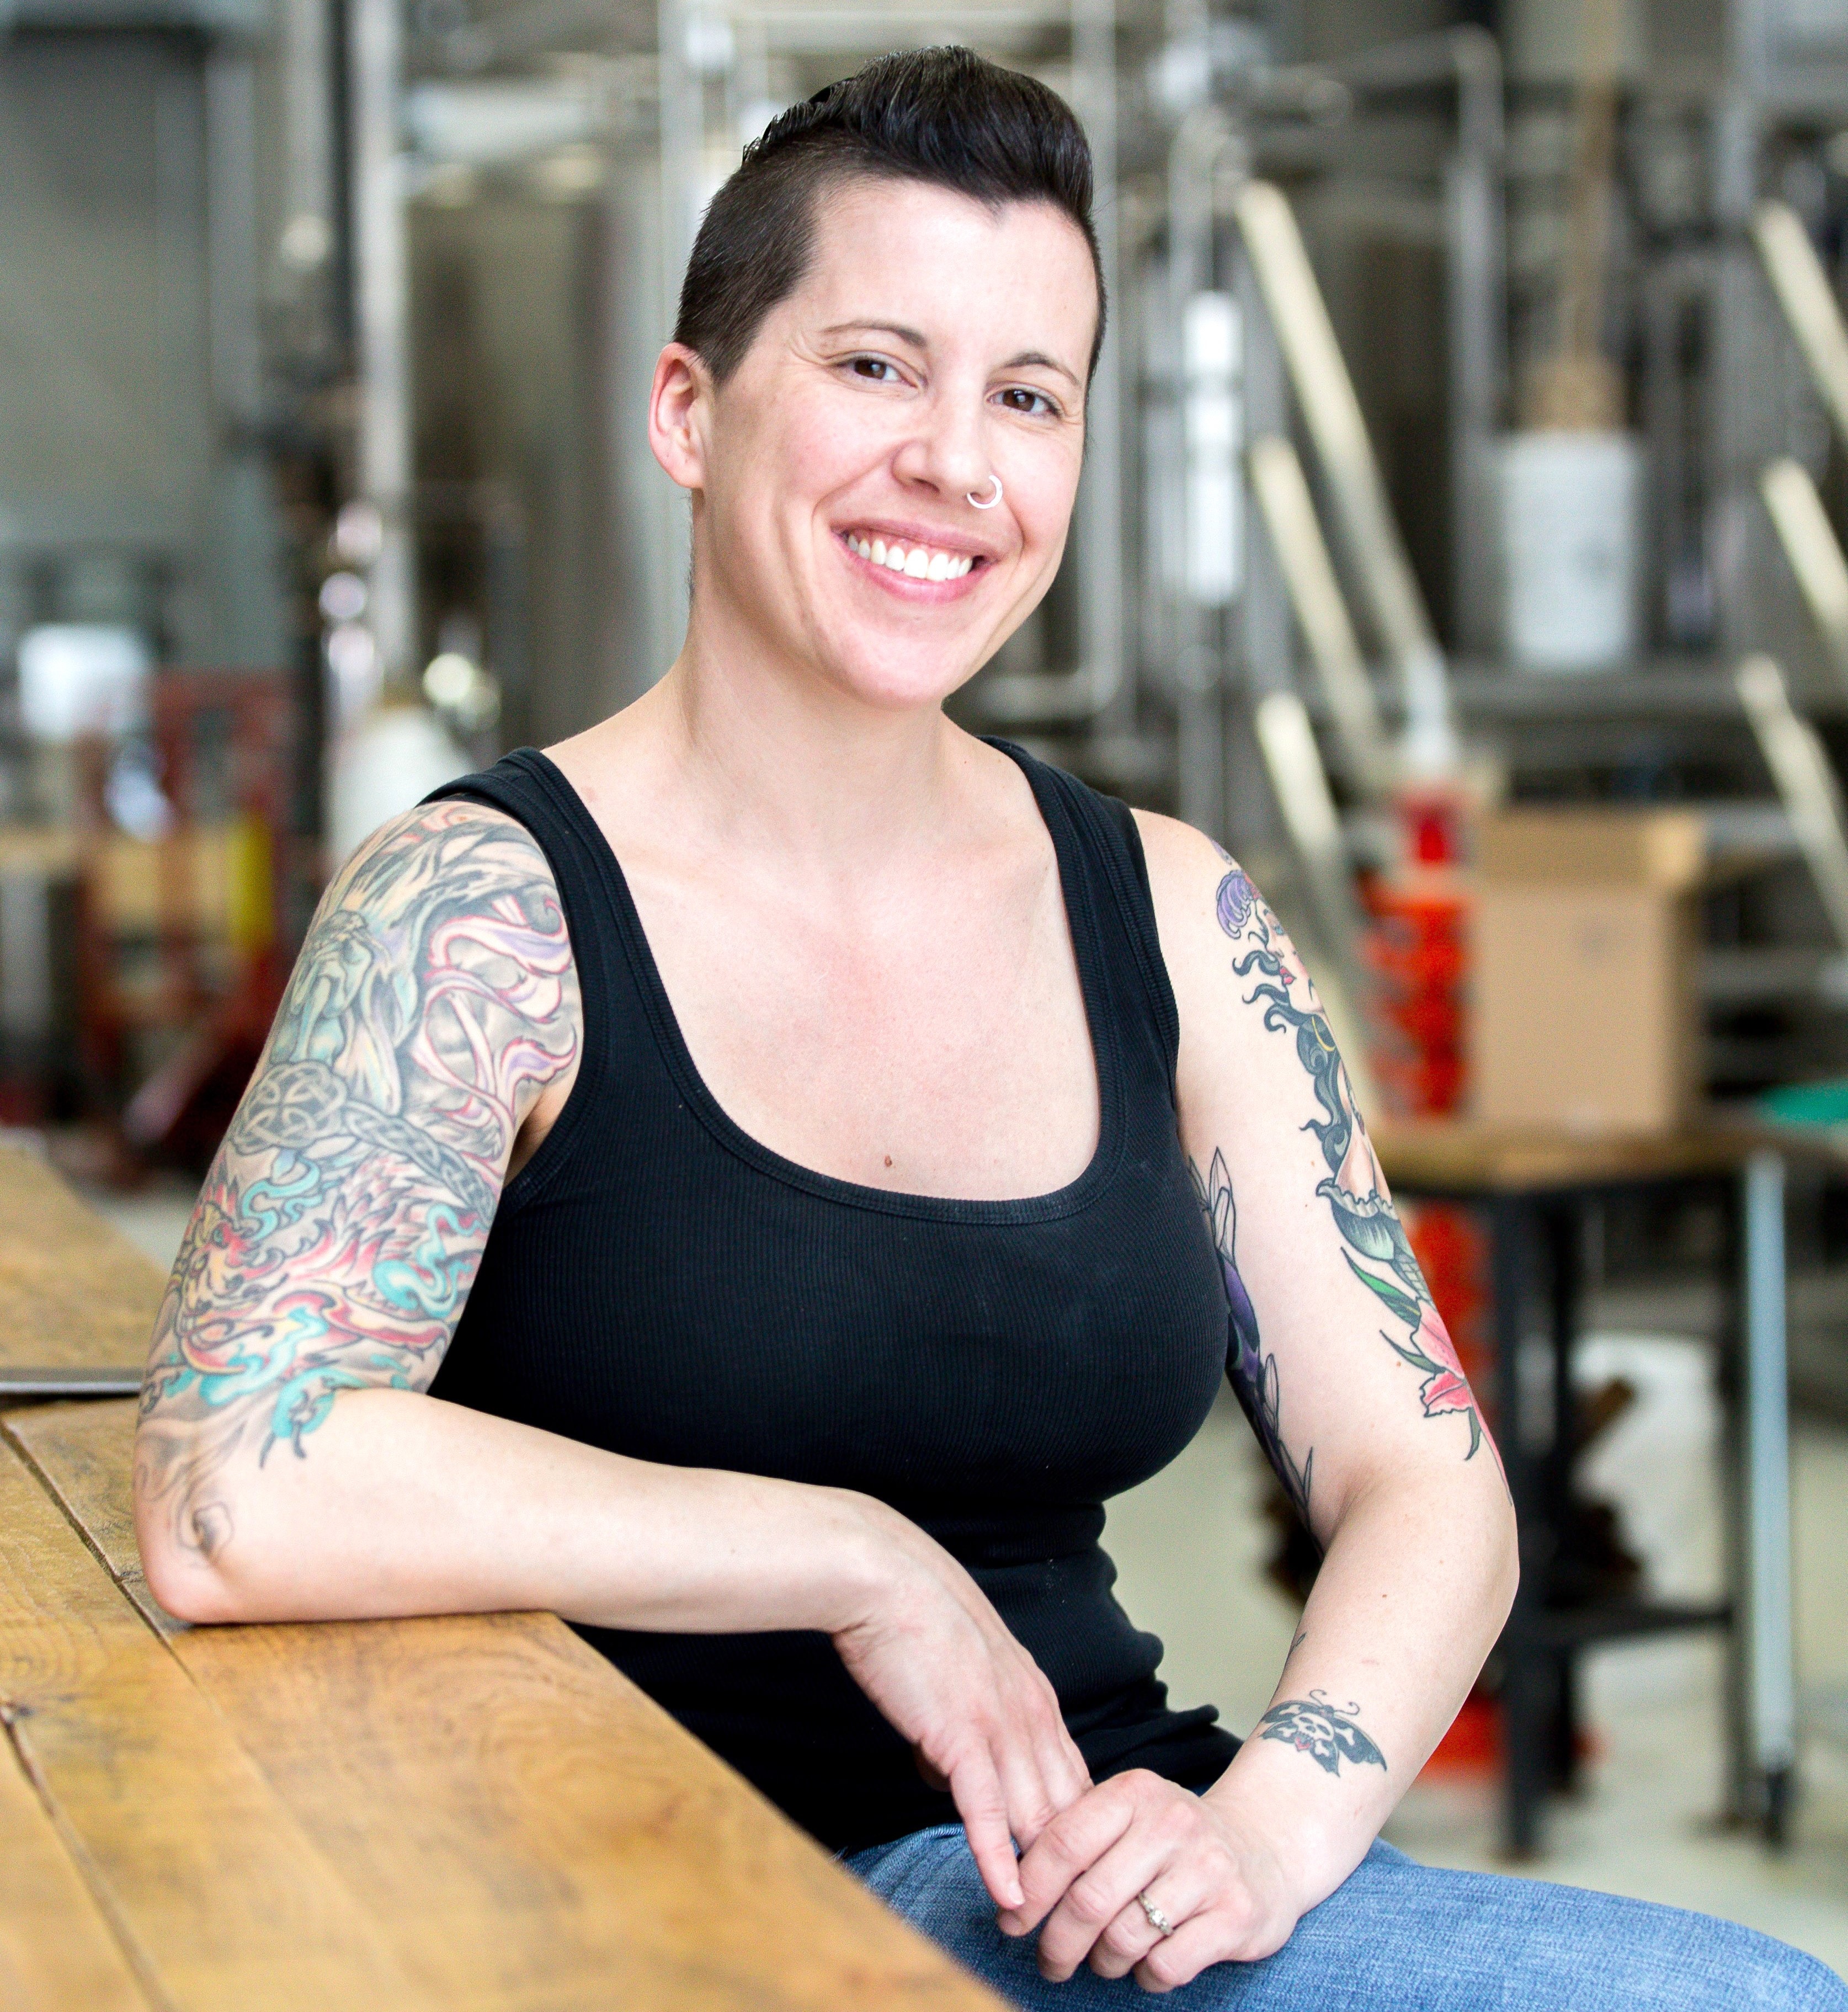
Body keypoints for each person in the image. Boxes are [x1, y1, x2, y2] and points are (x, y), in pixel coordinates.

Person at [132, 47, 1842, 2010]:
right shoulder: (483, 912)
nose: (959, 460)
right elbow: (230, 1487)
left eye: (1030, 397)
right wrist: (850, 1555)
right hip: (623, 1882)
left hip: (1081, 1888)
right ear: (688, 408)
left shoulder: (1175, 918)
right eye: (877, 366)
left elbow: (1426, 1478)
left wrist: (1267, 1829)